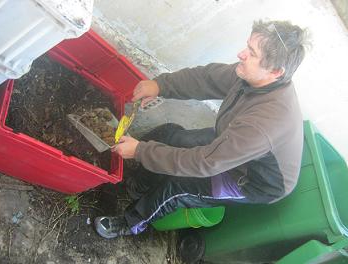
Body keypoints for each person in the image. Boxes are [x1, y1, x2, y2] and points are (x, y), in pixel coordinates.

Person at [94, 20, 310, 239]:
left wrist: (140, 151)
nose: (241, 54)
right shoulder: (253, 77)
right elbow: (206, 78)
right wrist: (161, 85)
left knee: (178, 187)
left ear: (275, 71)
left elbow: (204, 163)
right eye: (247, 46)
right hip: (234, 144)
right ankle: (135, 187)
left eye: (251, 53)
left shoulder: (264, 125)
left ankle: (129, 223)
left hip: (250, 178)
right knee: (171, 134)